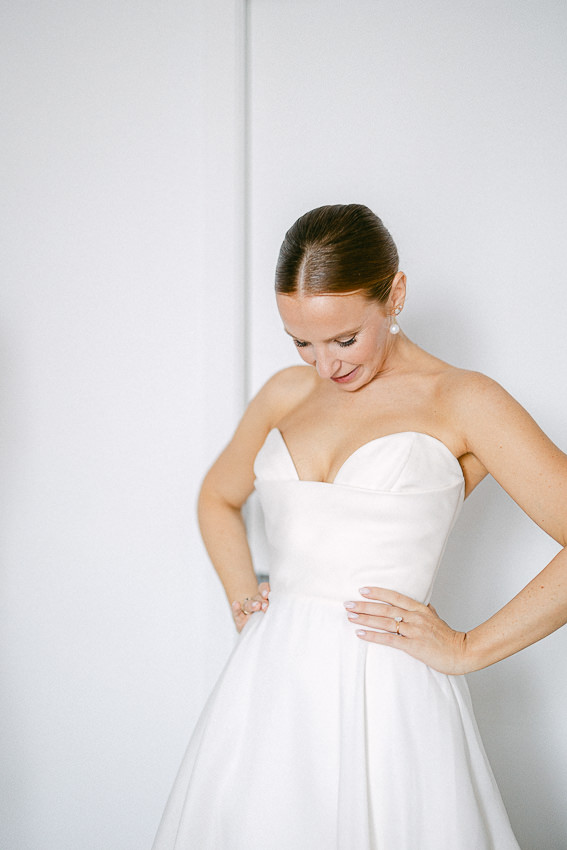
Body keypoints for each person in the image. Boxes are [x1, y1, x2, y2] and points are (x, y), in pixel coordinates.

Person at [152, 204, 566, 849]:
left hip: (388, 688)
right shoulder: (286, 394)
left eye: (345, 339)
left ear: (394, 293)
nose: (326, 366)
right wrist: (245, 600)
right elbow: (217, 496)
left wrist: (467, 649)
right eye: (302, 342)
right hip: (268, 683)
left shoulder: (462, 400)